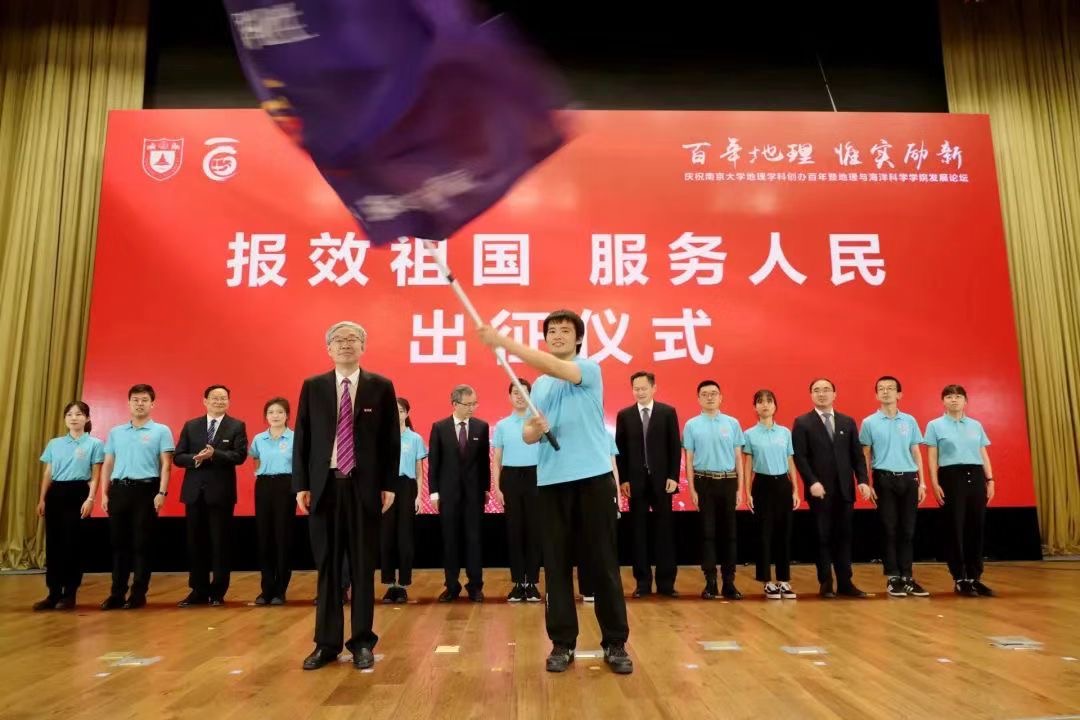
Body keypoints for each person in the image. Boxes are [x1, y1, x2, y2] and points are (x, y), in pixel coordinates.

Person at [478, 309, 632, 675]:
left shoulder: (588, 369)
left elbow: (554, 366)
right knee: (557, 566)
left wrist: (503, 343)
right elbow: (529, 434)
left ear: (578, 339)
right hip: (550, 483)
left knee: (602, 564)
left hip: (593, 479)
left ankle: (615, 642)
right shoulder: (541, 386)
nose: (557, 335)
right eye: (551, 331)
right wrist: (534, 429)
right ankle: (562, 643)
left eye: (565, 330)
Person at [293, 321, 399, 671]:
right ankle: (326, 644)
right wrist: (302, 484)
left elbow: (390, 441)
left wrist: (389, 484)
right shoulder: (313, 386)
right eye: (338, 340)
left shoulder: (380, 386)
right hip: (324, 487)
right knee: (327, 567)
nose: (345, 344)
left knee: (363, 567)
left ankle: (362, 642)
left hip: (363, 487)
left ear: (363, 346)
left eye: (352, 339)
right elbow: (303, 437)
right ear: (328, 348)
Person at [792, 378, 870, 599]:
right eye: (817, 390)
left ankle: (845, 582)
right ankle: (825, 581)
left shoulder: (847, 421)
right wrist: (811, 482)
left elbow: (857, 456)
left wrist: (863, 480)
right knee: (822, 536)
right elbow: (800, 457)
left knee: (844, 537)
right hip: (819, 491)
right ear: (811, 395)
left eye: (826, 390)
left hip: (845, 490)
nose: (822, 394)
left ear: (834, 394)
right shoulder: (802, 422)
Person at [99, 384, 175, 610]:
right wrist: (104, 493)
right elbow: (108, 463)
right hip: (119, 490)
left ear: (152, 404)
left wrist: (162, 492)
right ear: (129, 403)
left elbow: (166, 464)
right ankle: (116, 594)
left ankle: (138, 594)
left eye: (144, 400)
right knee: (118, 544)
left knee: (142, 544)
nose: (139, 404)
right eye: (135, 400)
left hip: (146, 491)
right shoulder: (116, 432)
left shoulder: (161, 431)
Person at [174, 384, 249, 607]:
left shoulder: (236, 425)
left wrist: (215, 454)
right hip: (194, 493)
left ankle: (217, 592)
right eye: (214, 398)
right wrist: (195, 459)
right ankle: (198, 590)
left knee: (220, 544)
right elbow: (178, 456)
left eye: (223, 398)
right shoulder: (191, 425)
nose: (219, 401)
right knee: (195, 544)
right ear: (205, 401)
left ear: (229, 402)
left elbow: (239, 456)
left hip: (221, 494)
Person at [859, 375, 929, 598]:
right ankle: (893, 577)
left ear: (899, 394)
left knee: (907, 530)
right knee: (889, 529)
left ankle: (907, 576)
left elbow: (916, 451)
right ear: (876, 395)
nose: (886, 391)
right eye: (881, 388)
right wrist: (868, 483)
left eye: (890, 388)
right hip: (883, 479)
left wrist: (922, 482)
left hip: (908, 478)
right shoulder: (869, 422)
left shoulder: (909, 421)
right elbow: (865, 454)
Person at [615, 371, 681, 598]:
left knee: (665, 533)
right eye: (636, 388)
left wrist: (673, 476)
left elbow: (674, 447)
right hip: (636, 483)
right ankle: (642, 583)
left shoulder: (667, 412)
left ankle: (666, 583)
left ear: (654, 388)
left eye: (644, 388)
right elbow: (620, 451)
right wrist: (624, 479)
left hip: (663, 482)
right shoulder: (625, 415)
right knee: (639, 534)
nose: (640, 392)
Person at [33, 402, 105, 610]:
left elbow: (95, 475)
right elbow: (48, 472)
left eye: (79, 414)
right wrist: (42, 499)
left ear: (87, 418)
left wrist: (90, 499)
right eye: (70, 414)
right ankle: (53, 593)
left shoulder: (95, 444)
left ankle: (70, 594)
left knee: (74, 544)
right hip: (56, 493)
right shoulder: (54, 443)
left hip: (79, 493)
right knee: (54, 544)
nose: (74, 418)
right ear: (65, 418)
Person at [925, 384, 995, 597]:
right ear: (943, 401)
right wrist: (934, 482)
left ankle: (975, 577)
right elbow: (932, 456)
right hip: (950, 476)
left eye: (958, 396)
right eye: (949, 396)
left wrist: (990, 479)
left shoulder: (975, 425)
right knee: (954, 527)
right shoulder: (935, 425)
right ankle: (960, 577)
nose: (953, 400)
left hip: (976, 475)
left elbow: (982, 453)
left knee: (976, 526)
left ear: (966, 401)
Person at [684, 380, 746, 600]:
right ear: (698, 399)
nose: (709, 397)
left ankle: (729, 582)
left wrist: (740, 489)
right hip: (704, 482)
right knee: (707, 534)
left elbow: (738, 458)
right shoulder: (691, 425)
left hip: (728, 482)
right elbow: (688, 459)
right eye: (705, 394)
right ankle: (710, 581)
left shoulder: (732, 423)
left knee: (730, 535)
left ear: (721, 397)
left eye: (713, 393)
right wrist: (692, 489)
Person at [428, 385, 490, 602]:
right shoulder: (440, 427)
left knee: (474, 540)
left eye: (475, 404)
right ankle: (451, 586)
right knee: (450, 541)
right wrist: (434, 493)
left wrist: (486, 489)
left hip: (474, 495)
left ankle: (475, 586)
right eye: (468, 404)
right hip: (448, 495)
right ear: (455, 404)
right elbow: (434, 463)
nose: (472, 408)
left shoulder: (481, 427)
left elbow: (484, 462)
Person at [742, 390, 800, 600]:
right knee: (764, 534)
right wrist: (747, 491)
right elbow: (748, 464)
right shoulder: (749, 434)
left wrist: (795, 489)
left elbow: (790, 460)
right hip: (762, 485)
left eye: (769, 401)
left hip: (782, 483)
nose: (765, 405)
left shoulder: (784, 432)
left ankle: (783, 580)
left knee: (784, 533)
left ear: (775, 406)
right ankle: (767, 581)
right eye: (760, 402)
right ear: (755, 407)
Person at [492, 379, 542, 603]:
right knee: (514, 531)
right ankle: (518, 583)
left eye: (524, 392)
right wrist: (497, 487)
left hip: (536, 477)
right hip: (511, 478)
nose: (520, 396)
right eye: (515, 392)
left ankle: (531, 583)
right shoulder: (502, 425)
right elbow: (497, 460)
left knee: (534, 531)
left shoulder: (539, 422)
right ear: (509, 397)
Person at [250, 397, 296, 605]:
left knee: (283, 536)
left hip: (286, 485)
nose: (275, 416)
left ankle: (280, 589)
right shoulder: (259, 439)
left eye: (279, 412)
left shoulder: (295, 437)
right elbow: (256, 459)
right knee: (264, 536)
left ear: (287, 415)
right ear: (265, 416)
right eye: (271, 412)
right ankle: (266, 589)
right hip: (264, 485)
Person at [381, 397, 427, 603]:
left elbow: (419, 471)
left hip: (407, 487)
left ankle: (403, 585)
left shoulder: (415, 438)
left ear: (407, 413)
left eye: (401, 411)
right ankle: (390, 584)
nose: (397, 414)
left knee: (405, 538)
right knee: (386, 537)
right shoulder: (382, 436)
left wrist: (419, 496)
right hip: (386, 488)